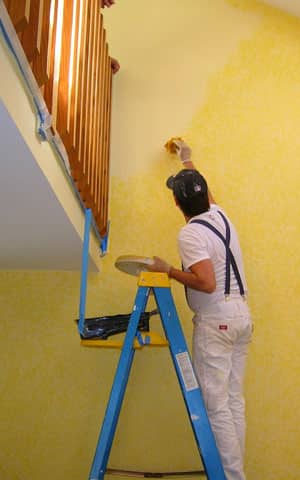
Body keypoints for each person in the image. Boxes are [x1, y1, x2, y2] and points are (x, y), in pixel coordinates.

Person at [148, 141, 252, 480]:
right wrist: (186, 159)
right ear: (206, 196)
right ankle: (236, 474)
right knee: (233, 400)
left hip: (217, 322)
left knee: (215, 404)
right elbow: (200, 187)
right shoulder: (220, 215)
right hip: (241, 317)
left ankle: (231, 477)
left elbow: (205, 282)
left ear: (177, 202)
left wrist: (168, 270)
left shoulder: (190, 233)